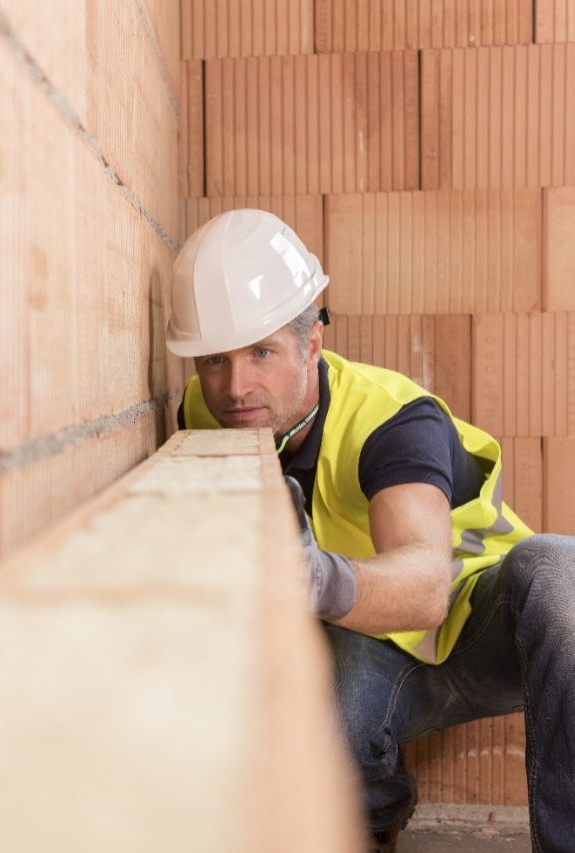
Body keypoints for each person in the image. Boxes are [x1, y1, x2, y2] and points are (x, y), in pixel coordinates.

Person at [166, 209, 575, 853]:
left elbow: (422, 589)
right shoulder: (208, 411)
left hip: (485, 630)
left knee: (559, 569)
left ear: (312, 346)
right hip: (373, 644)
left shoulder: (391, 421)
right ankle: (374, 812)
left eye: (262, 352)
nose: (236, 386)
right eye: (214, 359)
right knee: (319, 725)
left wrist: (308, 576)